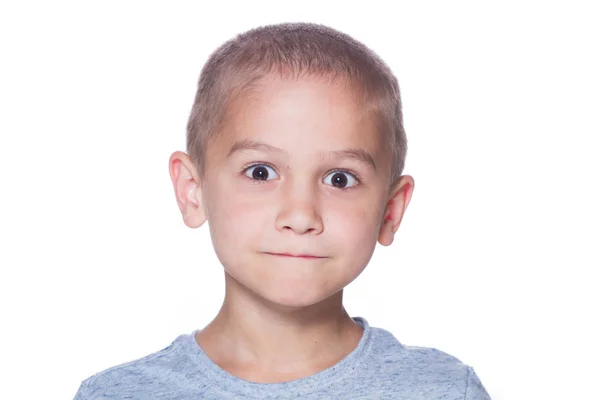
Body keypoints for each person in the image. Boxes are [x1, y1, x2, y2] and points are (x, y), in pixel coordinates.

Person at [73, 22, 491, 399]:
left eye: (339, 179)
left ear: (390, 210)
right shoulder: (116, 395)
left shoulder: (445, 391)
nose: (301, 215)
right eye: (260, 172)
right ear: (192, 191)